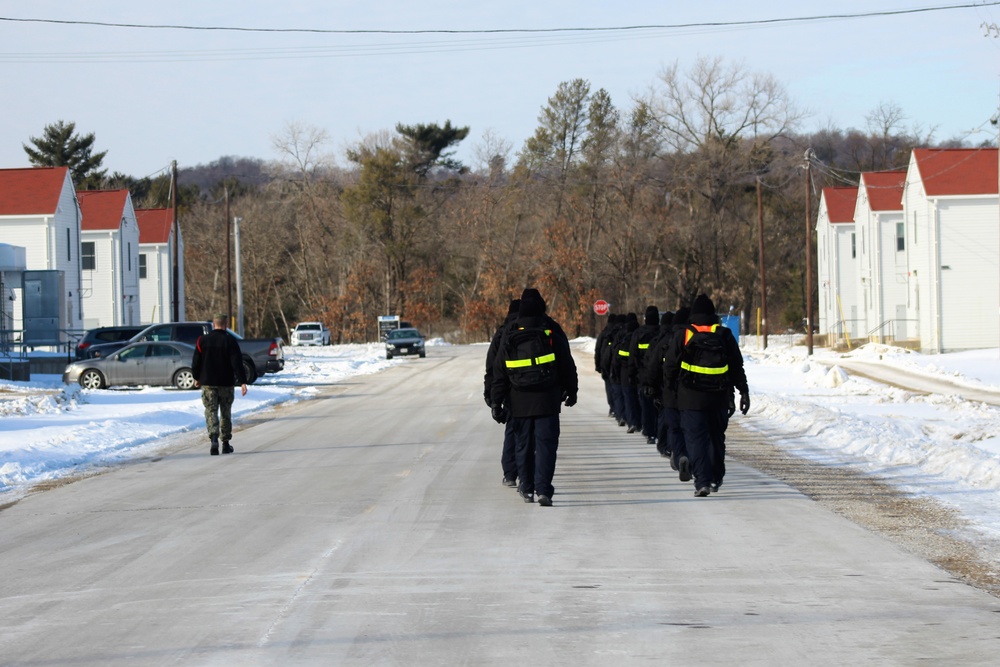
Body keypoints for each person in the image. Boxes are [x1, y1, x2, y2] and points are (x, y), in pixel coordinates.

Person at [491, 288, 578, 507]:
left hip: (518, 400)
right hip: (547, 400)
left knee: (523, 446)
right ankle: (543, 490)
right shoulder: (550, 328)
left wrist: (496, 400)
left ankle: (527, 487)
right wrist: (572, 389)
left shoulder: (510, 331)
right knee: (546, 446)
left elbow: (499, 369)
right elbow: (566, 363)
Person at [663, 295, 748, 497]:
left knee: (695, 440)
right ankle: (716, 477)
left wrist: (670, 393)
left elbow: (670, 367)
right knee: (717, 439)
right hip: (719, 397)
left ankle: (702, 481)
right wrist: (743, 391)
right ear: (713, 315)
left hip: (690, 399)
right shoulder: (724, 335)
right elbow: (737, 367)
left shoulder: (684, 335)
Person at [192, 314, 248, 455]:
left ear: (213, 324)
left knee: (211, 411)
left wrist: (196, 377)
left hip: (208, 383)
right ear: (225, 324)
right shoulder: (230, 341)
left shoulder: (202, 341)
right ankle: (226, 443)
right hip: (226, 383)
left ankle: (214, 439)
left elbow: (196, 362)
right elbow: (237, 362)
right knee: (225, 412)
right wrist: (242, 381)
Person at [484, 299, 521, 488]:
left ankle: (510, 473)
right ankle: (526, 472)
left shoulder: (502, 333)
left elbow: (492, 367)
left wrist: (491, 396)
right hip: (531, 389)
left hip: (508, 391)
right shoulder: (537, 329)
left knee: (512, 431)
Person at [628, 305, 662, 445]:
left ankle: (650, 433)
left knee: (646, 405)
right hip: (660, 376)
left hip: (642, 375)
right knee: (660, 406)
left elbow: (633, 355)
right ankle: (660, 430)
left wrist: (632, 373)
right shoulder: (661, 333)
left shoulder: (638, 333)